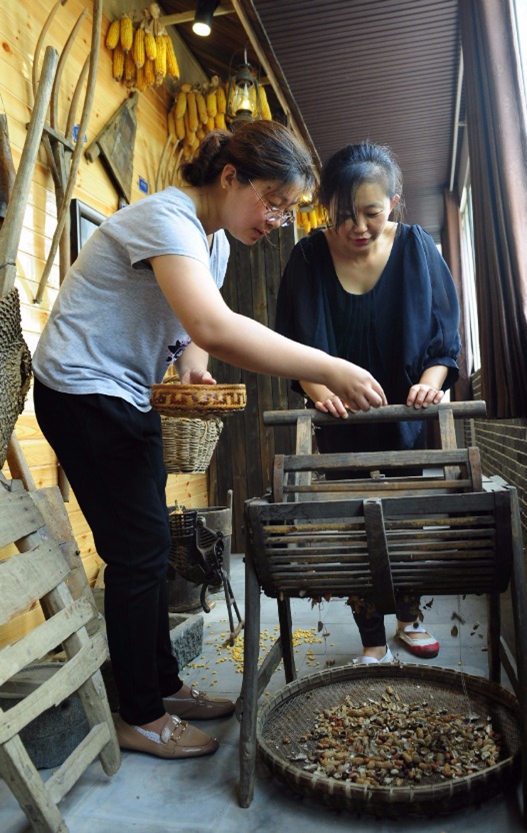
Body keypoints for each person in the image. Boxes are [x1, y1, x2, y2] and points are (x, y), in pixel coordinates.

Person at [32, 122, 386, 760]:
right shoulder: (166, 218)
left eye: (288, 209)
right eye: (274, 201)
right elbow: (215, 324)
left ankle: (162, 688)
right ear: (230, 177)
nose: (279, 219)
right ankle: (138, 716)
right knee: (137, 554)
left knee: (151, 544)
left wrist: (192, 360)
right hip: (81, 393)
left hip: (123, 393)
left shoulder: (211, 241)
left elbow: (195, 323)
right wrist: (328, 366)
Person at [275, 141, 461, 664]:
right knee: (356, 531)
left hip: (404, 422)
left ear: (395, 204)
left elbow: (445, 340)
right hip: (340, 424)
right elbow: (292, 348)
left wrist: (431, 382)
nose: (357, 227)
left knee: (404, 524)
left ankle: (408, 619)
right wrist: (321, 394)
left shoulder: (419, 249)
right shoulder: (309, 256)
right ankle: (373, 641)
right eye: (342, 216)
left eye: (371, 213)